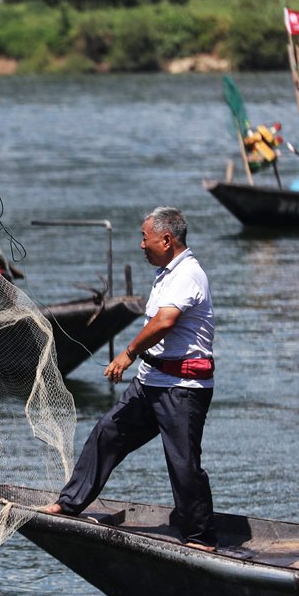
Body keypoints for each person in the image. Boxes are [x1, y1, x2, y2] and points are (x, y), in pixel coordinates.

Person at [41, 206, 218, 551]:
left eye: (144, 236)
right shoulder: (167, 273)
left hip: (182, 388)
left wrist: (128, 353)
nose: (141, 244)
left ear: (166, 239)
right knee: (107, 433)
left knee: (183, 462)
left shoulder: (188, 274)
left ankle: (201, 537)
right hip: (151, 381)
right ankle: (70, 502)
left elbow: (164, 321)